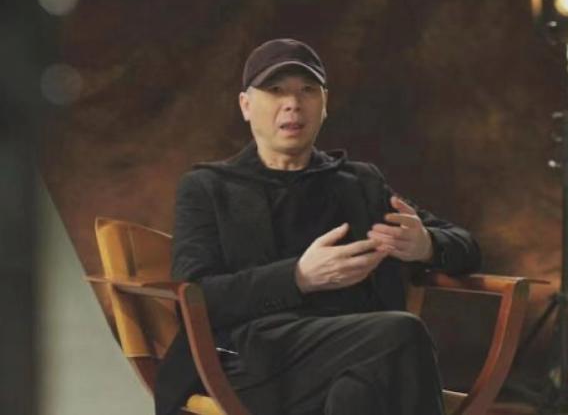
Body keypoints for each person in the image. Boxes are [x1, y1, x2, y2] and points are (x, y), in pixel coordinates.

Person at [154, 38, 481, 415]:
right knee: (401, 335)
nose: (293, 103)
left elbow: (467, 246)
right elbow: (196, 295)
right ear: (246, 105)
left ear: (324, 104)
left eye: (307, 90)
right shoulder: (208, 187)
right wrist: (298, 277)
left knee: (360, 392)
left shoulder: (360, 183)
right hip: (251, 361)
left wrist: (426, 245)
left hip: (360, 353)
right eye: (276, 90)